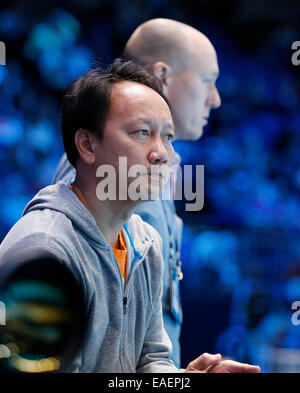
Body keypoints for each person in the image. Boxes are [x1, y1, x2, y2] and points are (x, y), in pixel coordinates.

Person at [0, 60, 260, 373]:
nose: (162, 153)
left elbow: (150, 361)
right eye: (142, 133)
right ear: (87, 144)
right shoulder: (45, 249)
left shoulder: (146, 242)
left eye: (167, 137)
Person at [52, 18, 221, 367]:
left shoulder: (149, 168)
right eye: (208, 81)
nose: (215, 99)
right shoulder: (97, 169)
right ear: (163, 75)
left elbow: (135, 348)